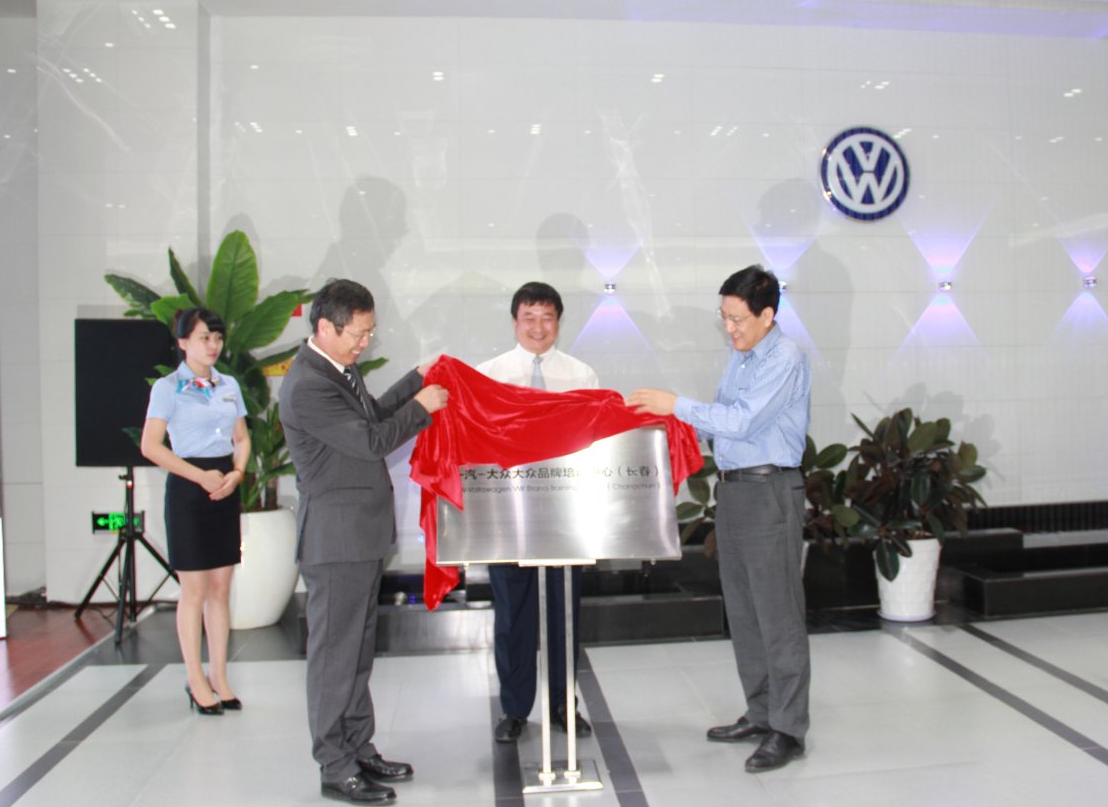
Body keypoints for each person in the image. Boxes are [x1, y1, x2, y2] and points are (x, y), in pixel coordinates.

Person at [627, 265, 811, 773]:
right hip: (734, 493)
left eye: (737, 319)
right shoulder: (741, 357)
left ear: (767, 315)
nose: (729, 328)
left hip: (770, 491)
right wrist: (663, 424)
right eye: (724, 317)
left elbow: (742, 421)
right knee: (745, 611)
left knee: (778, 614)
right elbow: (719, 426)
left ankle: (788, 729)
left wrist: (676, 404)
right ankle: (760, 712)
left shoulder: (785, 357)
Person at [278, 279, 448, 806]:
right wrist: (422, 406)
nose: (365, 343)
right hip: (336, 541)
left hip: (359, 536)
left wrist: (414, 380)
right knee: (335, 657)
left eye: (370, 332)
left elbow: (371, 414)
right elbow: (373, 441)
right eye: (358, 333)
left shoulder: (338, 369)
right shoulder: (308, 384)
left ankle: (358, 747)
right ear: (325, 327)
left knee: (356, 652)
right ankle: (335, 765)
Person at [475, 281, 598, 744]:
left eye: (547, 317)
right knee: (512, 616)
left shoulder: (582, 375)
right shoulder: (489, 375)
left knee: (565, 615)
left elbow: (594, 440)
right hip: (507, 516)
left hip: (566, 515)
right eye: (529, 317)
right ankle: (514, 710)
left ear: (558, 322)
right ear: (515, 322)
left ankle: (564, 706)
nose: (538, 327)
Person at [141, 307, 251, 716]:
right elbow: (151, 446)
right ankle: (195, 679)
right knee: (195, 590)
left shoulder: (229, 384)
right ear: (183, 342)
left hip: (224, 485)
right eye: (205, 338)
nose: (213, 345)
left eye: (217, 338)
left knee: (221, 589)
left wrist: (237, 473)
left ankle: (219, 677)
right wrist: (199, 476)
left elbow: (242, 438)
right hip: (189, 488)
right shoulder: (168, 388)